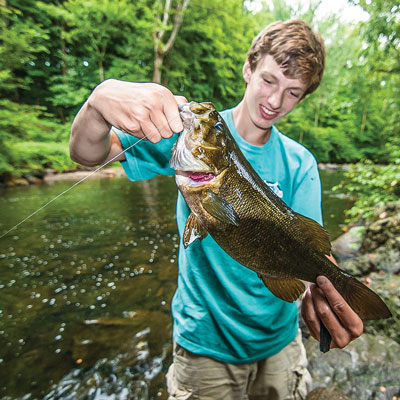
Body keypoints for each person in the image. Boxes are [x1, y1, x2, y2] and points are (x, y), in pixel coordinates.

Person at [70, 19, 363, 400]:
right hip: (204, 344)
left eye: (292, 92)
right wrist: (98, 103)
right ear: (248, 69)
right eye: (269, 80)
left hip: (278, 344)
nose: (275, 101)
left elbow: (313, 253)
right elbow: (85, 154)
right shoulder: (194, 135)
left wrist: (329, 299)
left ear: (303, 98)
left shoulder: (300, 162)